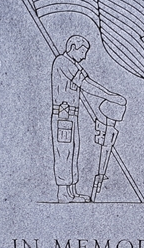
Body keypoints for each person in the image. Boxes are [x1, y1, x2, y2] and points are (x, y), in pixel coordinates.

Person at [51, 35, 125, 203]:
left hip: (71, 116)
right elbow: (86, 84)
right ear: (72, 47)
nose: (84, 56)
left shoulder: (73, 64)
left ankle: (71, 191)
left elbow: (87, 82)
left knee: (73, 151)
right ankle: (63, 192)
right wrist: (109, 96)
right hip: (63, 117)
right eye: (82, 51)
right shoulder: (63, 62)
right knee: (64, 152)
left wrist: (109, 95)